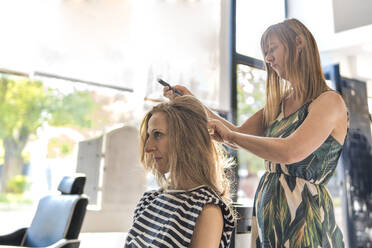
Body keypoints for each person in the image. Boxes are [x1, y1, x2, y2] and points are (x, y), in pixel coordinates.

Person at [164, 18, 348, 247]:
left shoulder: (329, 101)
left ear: (299, 43)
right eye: (266, 52)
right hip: (270, 212)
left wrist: (231, 136)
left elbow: (291, 151)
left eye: (273, 49)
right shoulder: (280, 104)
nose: (268, 58)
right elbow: (234, 134)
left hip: (305, 217)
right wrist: (192, 102)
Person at [124, 95, 235, 248]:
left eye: (158, 134)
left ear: (186, 140)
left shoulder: (205, 209)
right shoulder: (148, 200)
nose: (148, 147)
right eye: (149, 136)